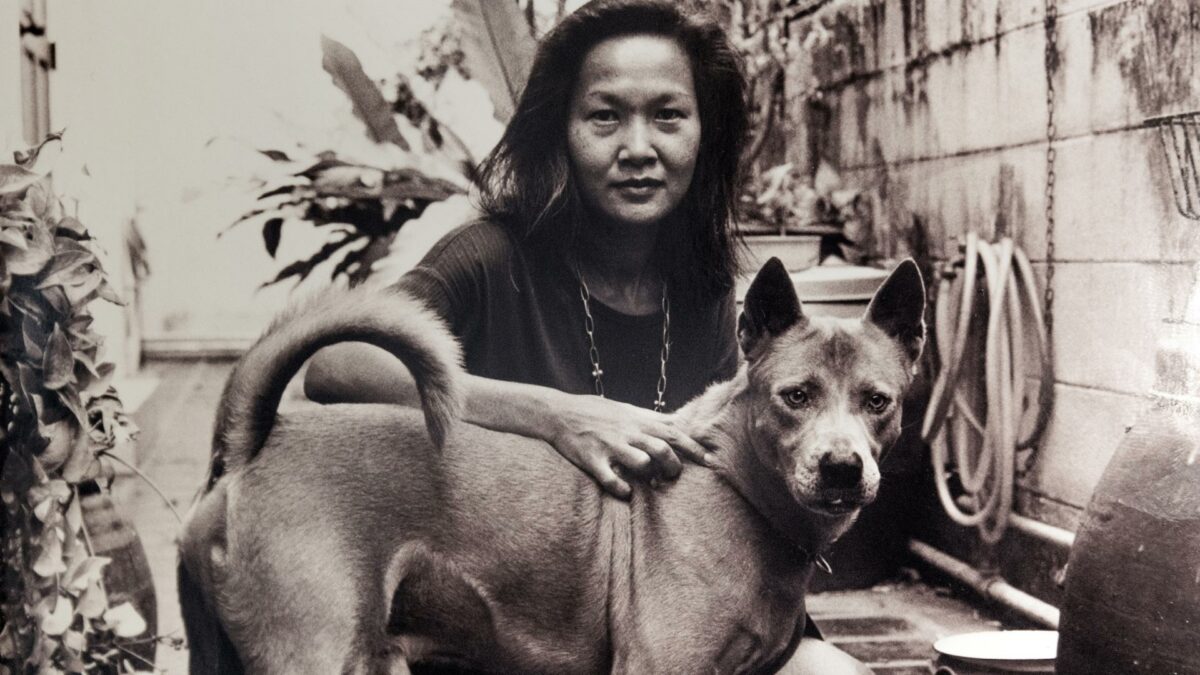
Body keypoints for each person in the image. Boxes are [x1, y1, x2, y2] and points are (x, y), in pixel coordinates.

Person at [306, 1, 869, 672]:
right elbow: (335, 362)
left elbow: (732, 479)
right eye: (605, 116)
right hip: (506, 621)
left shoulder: (705, 288)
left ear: (704, 133)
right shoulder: (490, 259)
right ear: (562, 133)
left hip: (670, 614)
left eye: (668, 116)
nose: (638, 148)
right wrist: (548, 414)